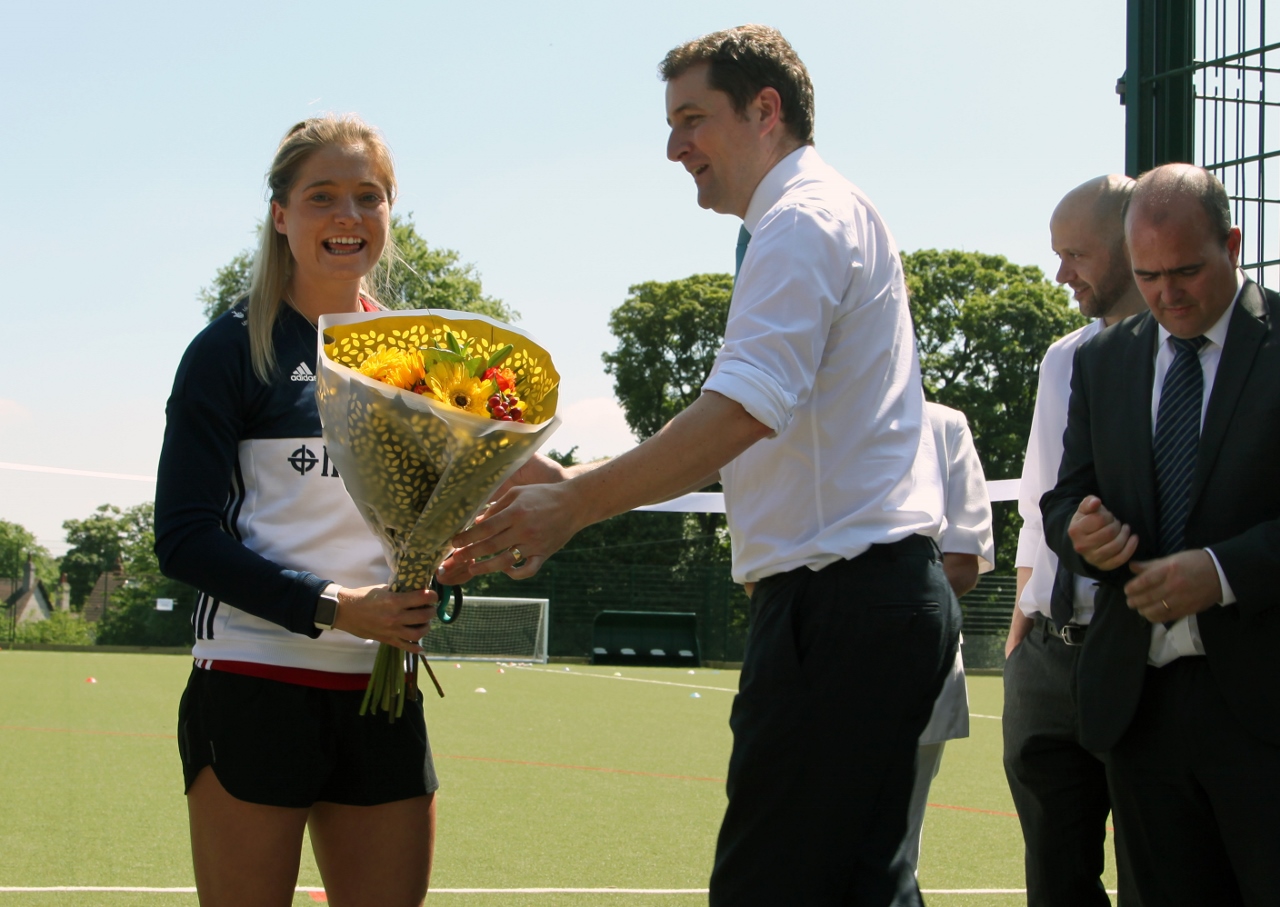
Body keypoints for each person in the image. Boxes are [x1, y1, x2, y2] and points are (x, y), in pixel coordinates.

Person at [441, 25, 957, 906]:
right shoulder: (809, 216)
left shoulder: (802, 220)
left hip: (839, 609)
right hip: (854, 606)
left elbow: (741, 412)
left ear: (766, 110)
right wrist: (577, 481)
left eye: (692, 119)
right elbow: (760, 427)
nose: (674, 146)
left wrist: (578, 505)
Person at [155, 115, 440, 907]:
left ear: (390, 212)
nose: (347, 216)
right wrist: (334, 607)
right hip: (253, 686)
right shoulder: (228, 350)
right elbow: (182, 537)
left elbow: (417, 522)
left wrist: (439, 565)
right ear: (280, 213)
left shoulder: (411, 361)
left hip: (382, 692)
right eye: (322, 197)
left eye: (367, 196)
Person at [1042, 163, 1280, 905]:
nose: (1168, 294)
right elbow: (1064, 497)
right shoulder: (1104, 357)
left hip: (1264, 708)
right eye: (1148, 275)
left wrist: (1223, 570)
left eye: (1186, 271)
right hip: (1136, 706)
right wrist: (1083, 532)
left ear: (1233, 243)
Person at [1005, 175, 1145, 906]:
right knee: (1055, 880)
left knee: (1157, 871)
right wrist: (1025, 615)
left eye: (1075, 254)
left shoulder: (1193, 361)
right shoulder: (1063, 357)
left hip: (1146, 654)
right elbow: (1038, 495)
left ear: (1133, 243)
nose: (1061, 273)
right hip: (1047, 658)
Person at [899, 401, 995, 874]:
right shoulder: (803, 413)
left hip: (916, 666)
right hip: (809, 665)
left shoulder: (943, 425)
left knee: (893, 857)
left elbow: (962, 563)